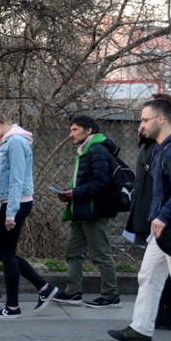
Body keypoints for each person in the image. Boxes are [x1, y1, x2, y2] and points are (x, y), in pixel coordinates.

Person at [108, 96, 171, 341]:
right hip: (163, 229)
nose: (141, 125)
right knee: (149, 275)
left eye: (145, 119)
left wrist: (162, 216)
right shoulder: (163, 148)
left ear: (161, 119)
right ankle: (140, 329)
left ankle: (142, 329)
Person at [0, 106, 57, 319]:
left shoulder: (16, 142)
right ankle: (44, 288)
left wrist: (11, 212)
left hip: (16, 203)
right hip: (10, 202)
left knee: (7, 253)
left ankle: (12, 307)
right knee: (3, 253)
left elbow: (17, 179)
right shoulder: (5, 142)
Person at [52, 115, 120, 308]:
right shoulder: (86, 149)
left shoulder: (96, 149)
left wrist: (76, 192)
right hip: (80, 210)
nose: (70, 134)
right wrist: (69, 194)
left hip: (93, 211)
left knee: (101, 254)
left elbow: (102, 183)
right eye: (71, 129)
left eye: (74, 130)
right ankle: (73, 293)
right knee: (72, 252)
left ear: (88, 130)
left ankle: (111, 295)